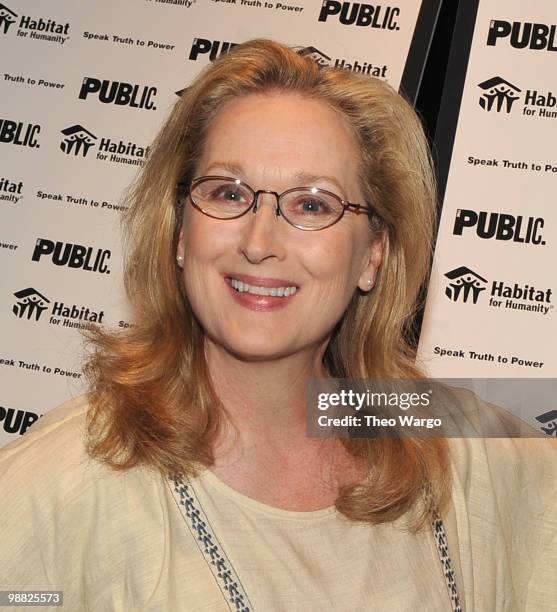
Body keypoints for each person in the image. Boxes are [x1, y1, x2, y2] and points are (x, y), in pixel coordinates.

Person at [0, 39, 555, 611]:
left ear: (373, 255)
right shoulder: (62, 479)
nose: (259, 242)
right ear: (180, 232)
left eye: (313, 204)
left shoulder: (442, 436)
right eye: (227, 192)